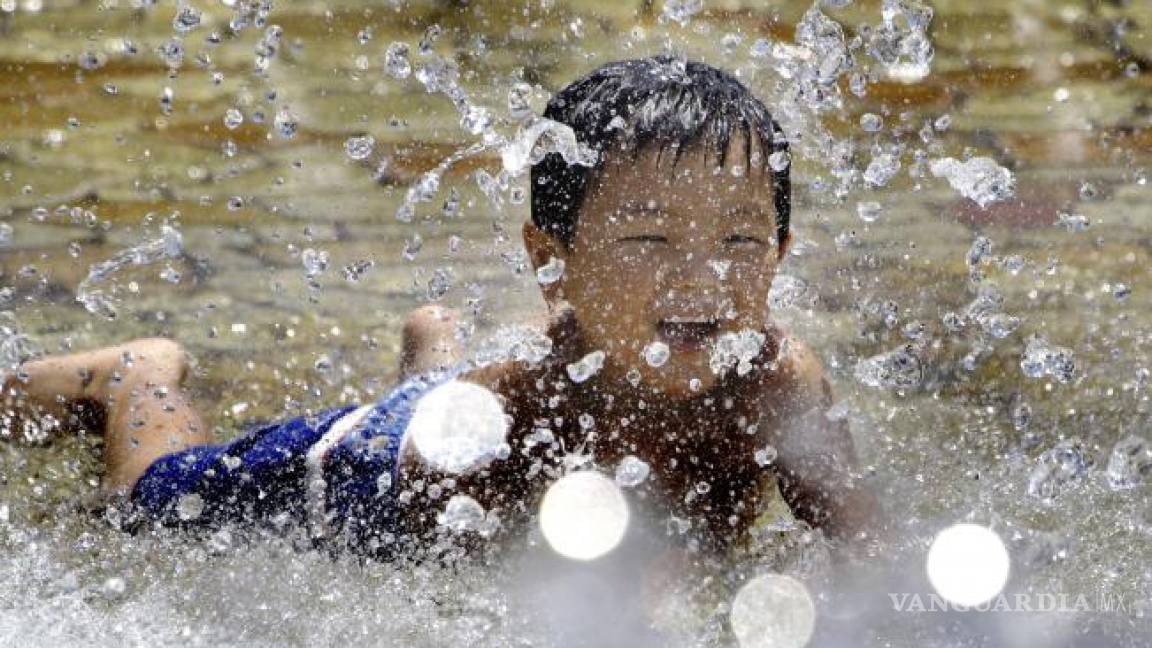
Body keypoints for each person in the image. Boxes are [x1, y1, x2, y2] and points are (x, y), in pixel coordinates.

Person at [0, 57, 881, 561]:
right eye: (649, 241)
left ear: (781, 256)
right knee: (149, 512)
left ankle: (433, 350)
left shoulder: (778, 381)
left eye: (738, 240)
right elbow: (440, 601)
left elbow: (870, 549)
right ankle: (132, 376)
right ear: (553, 266)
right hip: (370, 467)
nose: (702, 278)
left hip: (454, 407)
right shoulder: (514, 418)